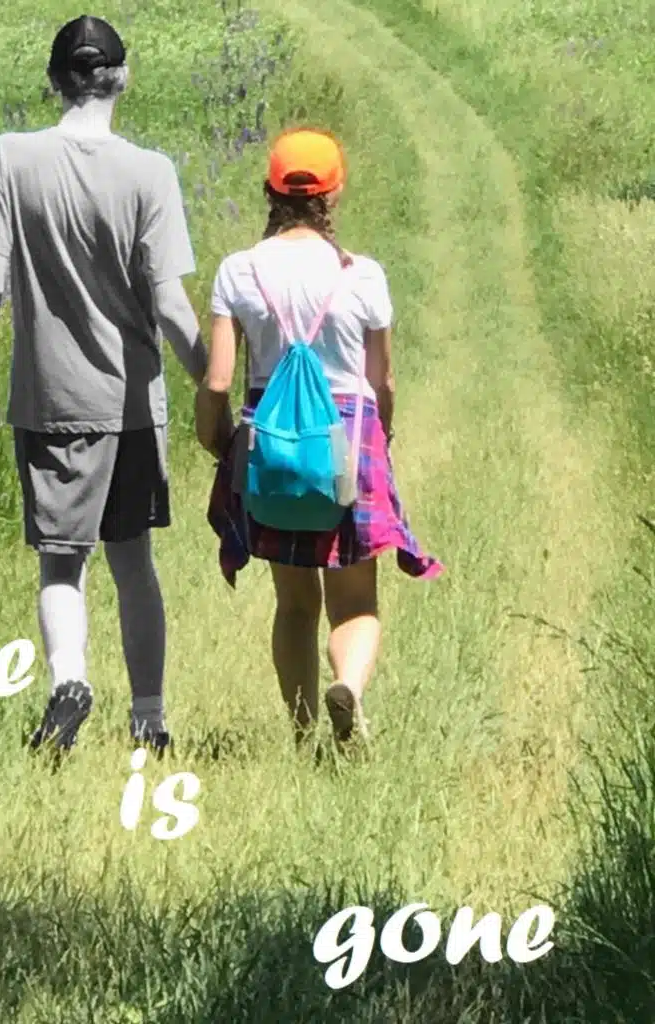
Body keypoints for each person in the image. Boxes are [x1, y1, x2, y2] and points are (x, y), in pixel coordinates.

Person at [0, 15, 208, 759]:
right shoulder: (150, 172)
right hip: (130, 403)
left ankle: (69, 681)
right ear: (121, 78)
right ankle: (149, 722)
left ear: (55, 80)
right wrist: (214, 386)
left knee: (61, 563)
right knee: (133, 565)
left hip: (50, 400)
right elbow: (170, 305)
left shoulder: (12, 157)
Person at [195, 129, 443, 750]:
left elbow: (218, 380)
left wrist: (217, 440)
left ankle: (303, 736)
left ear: (270, 190)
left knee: (294, 602)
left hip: (274, 445)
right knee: (355, 601)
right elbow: (382, 380)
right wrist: (382, 437)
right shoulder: (363, 275)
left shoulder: (239, 270)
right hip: (347, 438)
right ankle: (349, 687)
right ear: (333, 193)